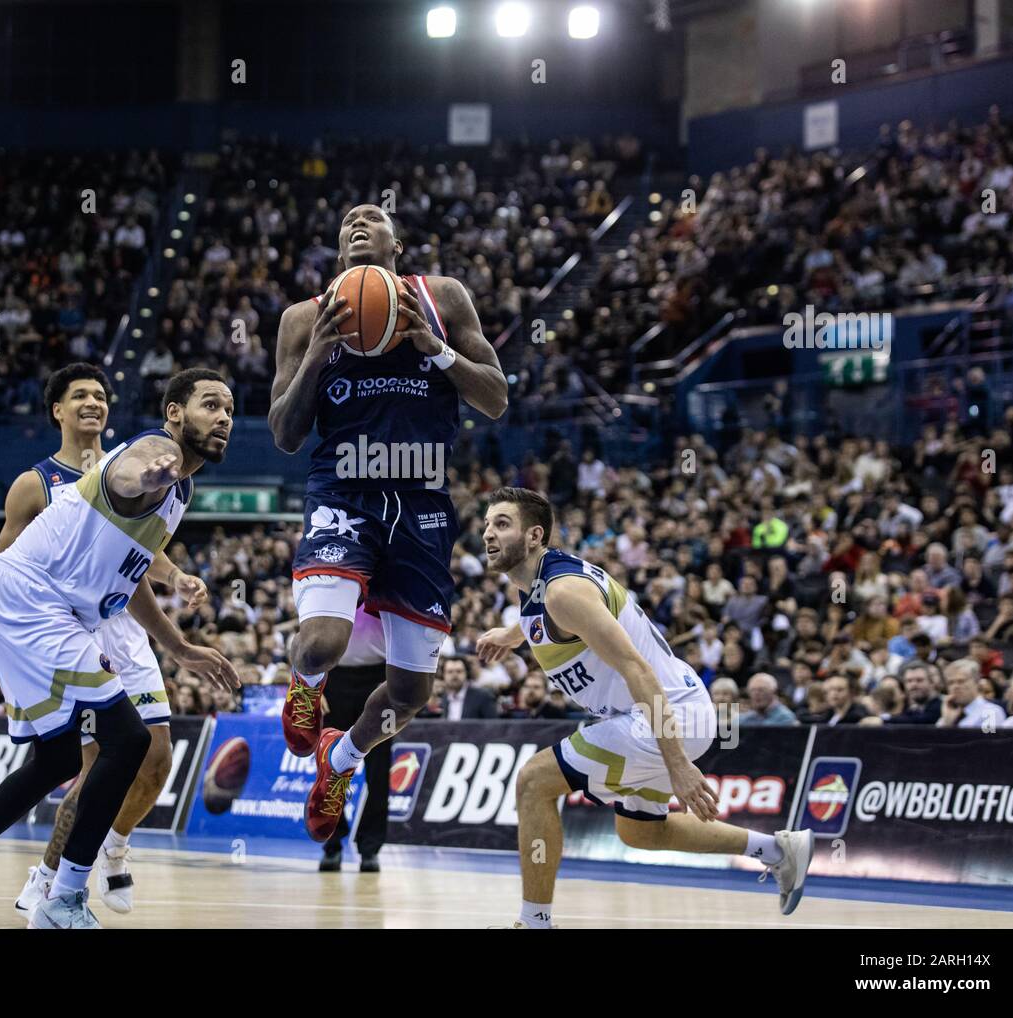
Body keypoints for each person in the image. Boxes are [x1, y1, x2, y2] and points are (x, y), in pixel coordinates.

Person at [0, 368, 240, 930]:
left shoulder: (180, 489)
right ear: (175, 413)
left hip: (42, 607)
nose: (223, 417)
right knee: (128, 739)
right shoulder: (155, 454)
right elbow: (130, 473)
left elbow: (128, 575)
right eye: (210, 405)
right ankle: (62, 899)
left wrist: (179, 645)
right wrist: (142, 474)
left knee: (58, 758)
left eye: (229, 408)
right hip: (33, 600)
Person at [268, 202, 507, 841]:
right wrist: (318, 354)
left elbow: (496, 397)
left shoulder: (443, 299)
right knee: (322, 641)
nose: (359, 221)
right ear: (338, 248)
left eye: (374, 217)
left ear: (396, 246)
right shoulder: (301, 318)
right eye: (347, 219)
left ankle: (339, 761)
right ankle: (302, 686)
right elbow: (285, 436)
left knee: (410, 694)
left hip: (423, 502)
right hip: (343, 492)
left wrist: (435, 349)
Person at [477, 488, 812, 928]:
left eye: (502, 523)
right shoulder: (537, 586)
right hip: (667, 710)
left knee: (534, 781)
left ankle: (534, 922)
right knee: (640, 831)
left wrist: (676, 763)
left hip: (662, 713)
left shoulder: (563, 592)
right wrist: (512, 633)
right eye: (486, 524)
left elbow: (637, 669)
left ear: (534, 535)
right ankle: (778, 850)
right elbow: (546, 622)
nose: (488, 533)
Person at [1, 363, 217, 919]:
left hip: (122, 616)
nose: (94, 403)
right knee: (101, 759)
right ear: (58, 410)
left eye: (101, 395)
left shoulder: (141, 462)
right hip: (65, 622)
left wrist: (174, 578)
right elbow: (8, 566)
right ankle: (50, 879)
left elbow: (138, 553)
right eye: (80, 396)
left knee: (157, 757)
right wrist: (16, 648)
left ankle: (114, 847)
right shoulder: (36, 483)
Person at [317, 606, 392, 874]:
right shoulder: (334, 576)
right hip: (334, 677)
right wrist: (315, 684)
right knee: (331, 765)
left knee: (379, 771)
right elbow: (310, 630)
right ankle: (332, 843)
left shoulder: (389, 583)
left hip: (380, 677)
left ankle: (370, 848)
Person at [937, 658, 1007, 730]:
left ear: (976, 683)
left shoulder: (991, 712)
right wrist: (947, 723)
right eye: (950, 683)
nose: (955, 686)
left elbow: (988, 740)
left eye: (961, 681)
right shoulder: (947, 715)